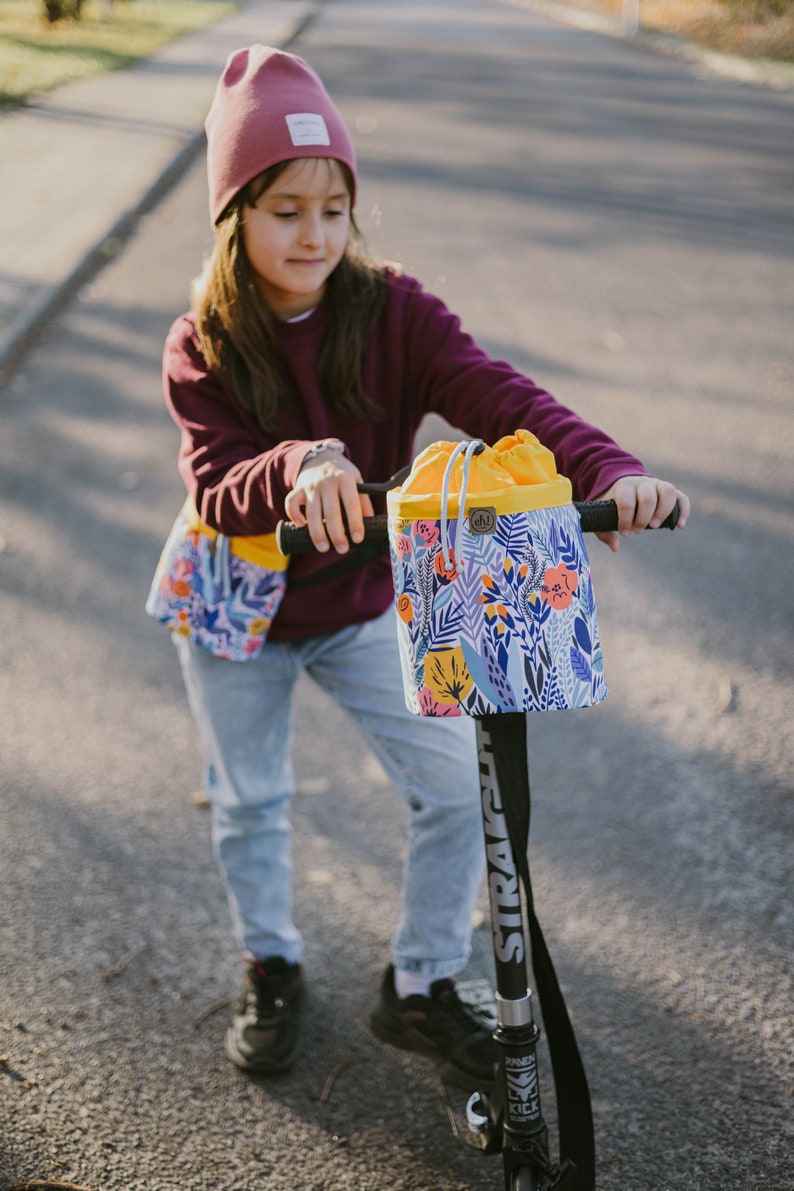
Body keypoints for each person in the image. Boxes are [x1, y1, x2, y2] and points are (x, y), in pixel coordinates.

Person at [150, 44, 689, 1086]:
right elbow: (217, 483)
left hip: (357, 596)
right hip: (236, 602)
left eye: (332, 207)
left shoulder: (393, 311)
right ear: (233, 216)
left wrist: (607, 468)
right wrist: (300, 464)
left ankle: (420, 986)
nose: (312, 234)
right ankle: (270, 961)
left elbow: (503, 397)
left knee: (454, 787)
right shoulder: (202, 339)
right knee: (252, 797)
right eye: (282, 210)